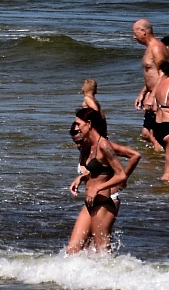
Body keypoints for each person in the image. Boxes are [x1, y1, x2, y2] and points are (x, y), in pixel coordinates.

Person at [65, 105, 136, 255]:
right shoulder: (90, 146)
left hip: (103, 204)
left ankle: (117, 277)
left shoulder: (104, 145)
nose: (76, 127)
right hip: (89, 203)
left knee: (102, 254)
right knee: (72, 250)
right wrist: (81, 177)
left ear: (89, 124)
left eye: (78, 123)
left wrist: (98, 188)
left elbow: (121, 175)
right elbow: (98, 171)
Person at [131, 19, 169, 144]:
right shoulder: (150, 47)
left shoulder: (156, 48)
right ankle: (157, 158)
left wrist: (152, 96)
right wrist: (143, 93)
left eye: (135, 33)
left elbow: (163, 73)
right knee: (147, 134)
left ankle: (162, 158)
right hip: (152, 94)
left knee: (155, 134)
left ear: (144, 32)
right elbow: (152, 75)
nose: (134, 37)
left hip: (159, 96)